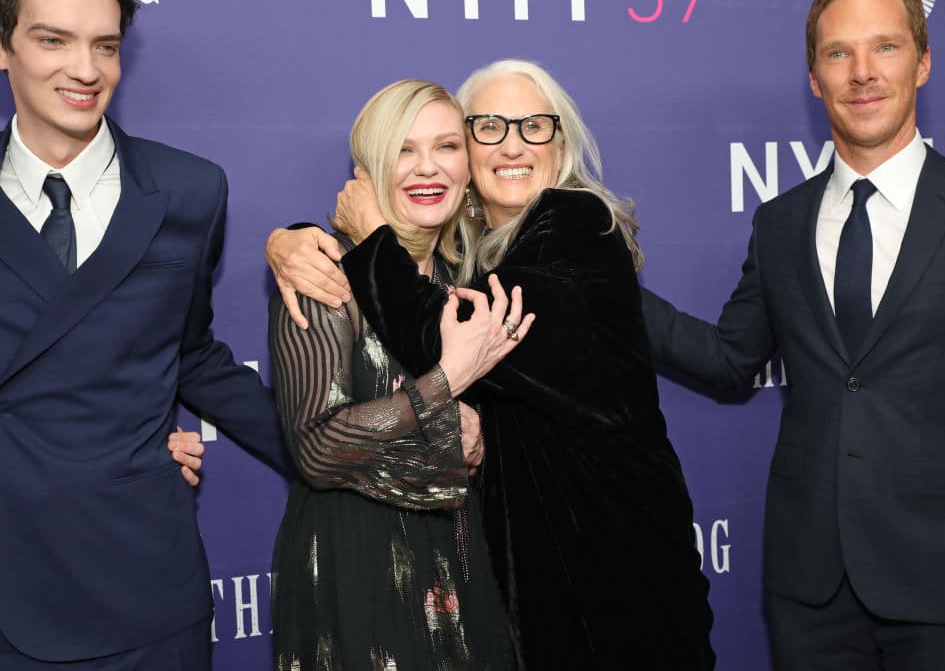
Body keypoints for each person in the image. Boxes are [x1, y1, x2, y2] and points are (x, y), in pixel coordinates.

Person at [267, 59, 715, 669]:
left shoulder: (574, 228)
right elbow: (322, 443)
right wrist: (293, 240)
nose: (512, 145)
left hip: (613, 581)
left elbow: (442, 334)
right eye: (488, 127)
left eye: (533, 125)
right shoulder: (469, 263)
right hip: (434, 576)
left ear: (561, 145)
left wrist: (369, 238)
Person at [639, 0, 945, 668]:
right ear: (815, 77)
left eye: (885, 47)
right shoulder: (780, 222)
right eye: (839, 53)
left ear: (923, 62)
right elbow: (729, 361)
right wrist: (604, 289)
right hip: (810, 592)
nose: (863, 73)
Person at [0, 0, 289, 668]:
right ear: (3, 46)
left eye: (104, 46)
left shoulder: (190, 190)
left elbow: (188, 353)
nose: (85, 70)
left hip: (144, 585)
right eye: (53, 40)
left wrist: (339, 453)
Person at [269, 79, 526, 671]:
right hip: (359, 566)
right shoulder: (323, 272)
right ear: (367, 170)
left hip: (466, 558)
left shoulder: (472, 277)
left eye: (446, 146)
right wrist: (445, 383)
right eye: (403, 149)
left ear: (468, 167)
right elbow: (319, 449)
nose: (427, 167)